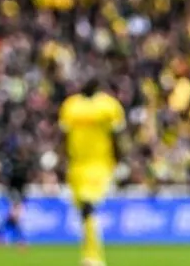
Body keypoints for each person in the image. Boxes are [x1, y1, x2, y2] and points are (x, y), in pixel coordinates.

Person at [59, 79, 126, 266]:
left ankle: (94, 258)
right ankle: (89, 255)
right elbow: (64, 136)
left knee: (88, 205)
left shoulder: (108, 106)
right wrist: (61, 161)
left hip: (100, 164)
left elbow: (116, 135)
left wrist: (119, 161)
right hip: (76, 166)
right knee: (84, 212)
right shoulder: (70, 106)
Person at [0, 142, 31, 250]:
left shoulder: (18, 166)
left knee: (12, 218)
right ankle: (20, 241)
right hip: (14, 194)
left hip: (18, 194)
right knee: (16, 217)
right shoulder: (15, 166)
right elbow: (10, 181)